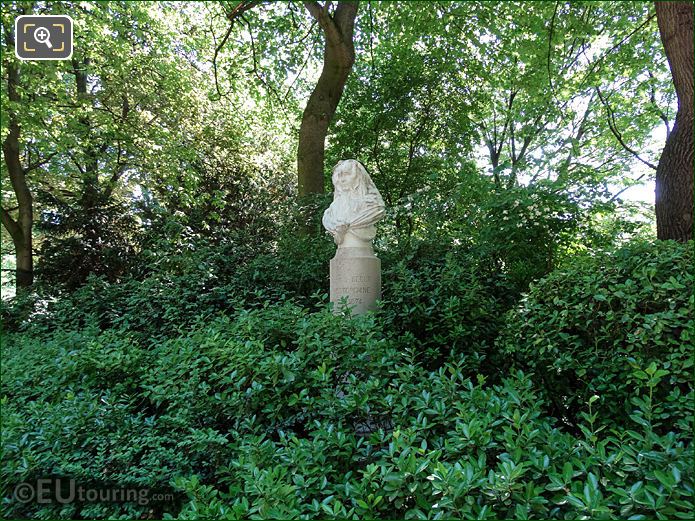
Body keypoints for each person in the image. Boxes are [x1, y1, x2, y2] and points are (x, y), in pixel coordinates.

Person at [322, 159, 385, 247]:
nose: (342, 180)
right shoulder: (331, 212)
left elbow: (378, 211)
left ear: (359, 176)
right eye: (339, 176)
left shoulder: (373, 205)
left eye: (347, 174)